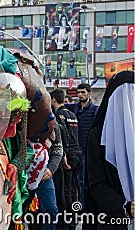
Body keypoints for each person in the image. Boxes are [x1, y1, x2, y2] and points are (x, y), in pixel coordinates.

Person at [84, 71, 134, 229]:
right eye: (123, 97)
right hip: (112, 218)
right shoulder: (98, 135)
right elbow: (97, 183)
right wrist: (125, 207)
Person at [50, 89, 82, 229]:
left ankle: (68, 221)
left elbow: (64, 137)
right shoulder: (72, 114)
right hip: (77, 154)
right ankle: (74, 217)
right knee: (74, 190)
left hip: (68, 155)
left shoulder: (60, 115)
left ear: (53, 100)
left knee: (66, 190)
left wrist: (64, 156)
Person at [65, 83, 98, 205]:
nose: (80, 95)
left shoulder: (95, 110)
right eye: (78, 92)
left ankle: (83, 206)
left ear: (89, 93)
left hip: (88, 151)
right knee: (74, 181)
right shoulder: (74, 108)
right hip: (74, 150)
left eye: (83, 92)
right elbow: (58, 105)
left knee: (83, 181)